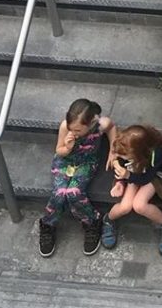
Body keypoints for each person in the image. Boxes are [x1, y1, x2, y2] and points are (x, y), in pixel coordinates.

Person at [39, 98, 114, 258]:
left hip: (86, 162)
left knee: (74, 193)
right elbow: (59, 150)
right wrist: (67, 147)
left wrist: (113, 150)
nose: (74, 133)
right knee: (59, 193)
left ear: (91, 122)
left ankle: (92, 221)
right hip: (65, 162)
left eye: (78, 130)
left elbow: (112, 128)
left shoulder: (101, 124)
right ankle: (48, 224)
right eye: (72, 129)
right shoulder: (66, 127)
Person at [103, 124, 162, 256]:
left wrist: (127, 175)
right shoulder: (125, 148)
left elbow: (146, 178)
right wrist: (120, 181)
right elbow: (120, 162)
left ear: (139, 152)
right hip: (134, 173)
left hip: (153, 177)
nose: (121, 157)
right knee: (125, 206)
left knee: (139, 205)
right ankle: (108, 220)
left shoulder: (156, 154)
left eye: (125, 156)